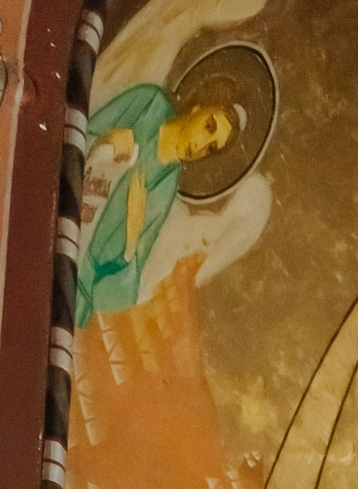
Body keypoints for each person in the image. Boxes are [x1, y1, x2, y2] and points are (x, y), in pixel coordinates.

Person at [75, 88, 239, 326]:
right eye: (208, 126)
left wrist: (131, 242)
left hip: (78, 286)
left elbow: (124, 289)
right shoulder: (149, 105)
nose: (200, 145)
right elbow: (74, 136)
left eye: (211, 148)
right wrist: (105, 142)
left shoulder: (167, 186)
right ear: (197, 108)